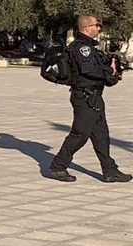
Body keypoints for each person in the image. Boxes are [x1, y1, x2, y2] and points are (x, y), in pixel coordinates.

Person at [47, 15, 131, 183]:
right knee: (79, 134)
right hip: (85, 97)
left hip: (94, 97)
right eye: (96, 25)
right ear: (87, 28)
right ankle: (58, 166)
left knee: (101, 135)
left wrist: (111, 70)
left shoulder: (90, 47)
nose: (99, 28)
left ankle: (110, 170)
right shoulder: (82, 48)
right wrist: (109, 71)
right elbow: (89, 70)